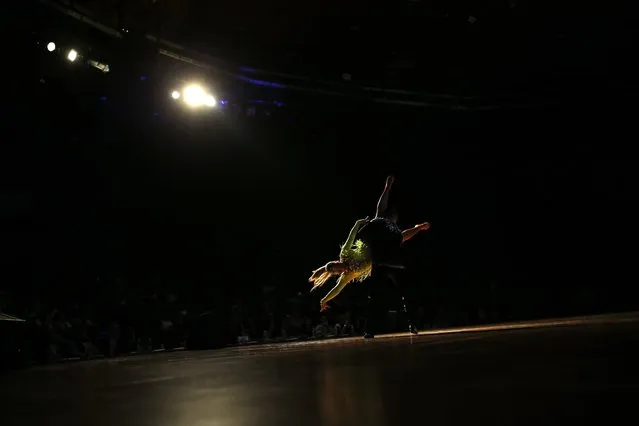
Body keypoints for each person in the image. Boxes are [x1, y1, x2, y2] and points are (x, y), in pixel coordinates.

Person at [309, 176, 430, 319]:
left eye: (337, 263)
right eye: (338, 268)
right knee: (400, 238)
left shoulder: (345, 254)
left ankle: (387, 187)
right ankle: (419, 227)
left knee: (379, 217)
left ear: (336, 261)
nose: (340, 265)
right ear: (339, 272)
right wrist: (324, 300)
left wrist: (358, 223)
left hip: (371, 242)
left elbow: (350, 238)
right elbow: (336, 289)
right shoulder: (347, 276)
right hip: (378, 255)